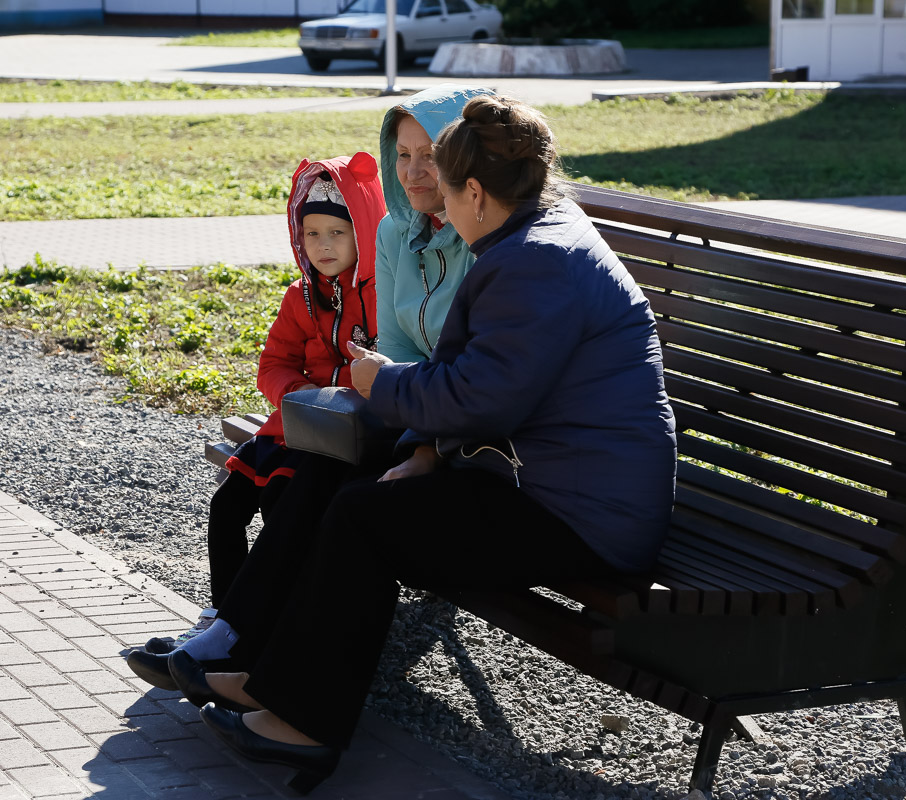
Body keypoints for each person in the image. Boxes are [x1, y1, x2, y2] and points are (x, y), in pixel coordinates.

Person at [167, 94, 678, 793]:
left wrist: (381, 380)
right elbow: (480, 390)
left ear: (473, 190)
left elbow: (479, 396)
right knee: (359, 497)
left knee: (365, 519)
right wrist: (418, 430)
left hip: (580, 516)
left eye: (442, 181)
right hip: (546, 483)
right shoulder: (537, 237)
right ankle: (273, 683)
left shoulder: (537, 261)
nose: (430, 192)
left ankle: (306, 725)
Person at [127, 85, 493, 669]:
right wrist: (311, 398)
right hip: (358, 419)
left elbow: (459, 368)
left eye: (432, 153)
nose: (414, 170)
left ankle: (267, 650)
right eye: (402, 154)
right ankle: (233, 634)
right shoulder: (385, 245)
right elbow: (367, 355)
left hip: (431, 433)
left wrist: (395, 415)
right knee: (268, 495)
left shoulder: (474, 245)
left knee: (319, 492)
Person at [124, 152, 386, 688]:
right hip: (290, 428)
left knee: (281, 504)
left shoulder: (377, 300)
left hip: (333, 443)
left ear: (363, 233)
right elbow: (273, 362)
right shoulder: (301, 296)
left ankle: (253, 628)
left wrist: (338, 394)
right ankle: (223, 616)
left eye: (338, 232)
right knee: (227, 505)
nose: (324, 246)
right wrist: (297, 395)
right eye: (312, 233)